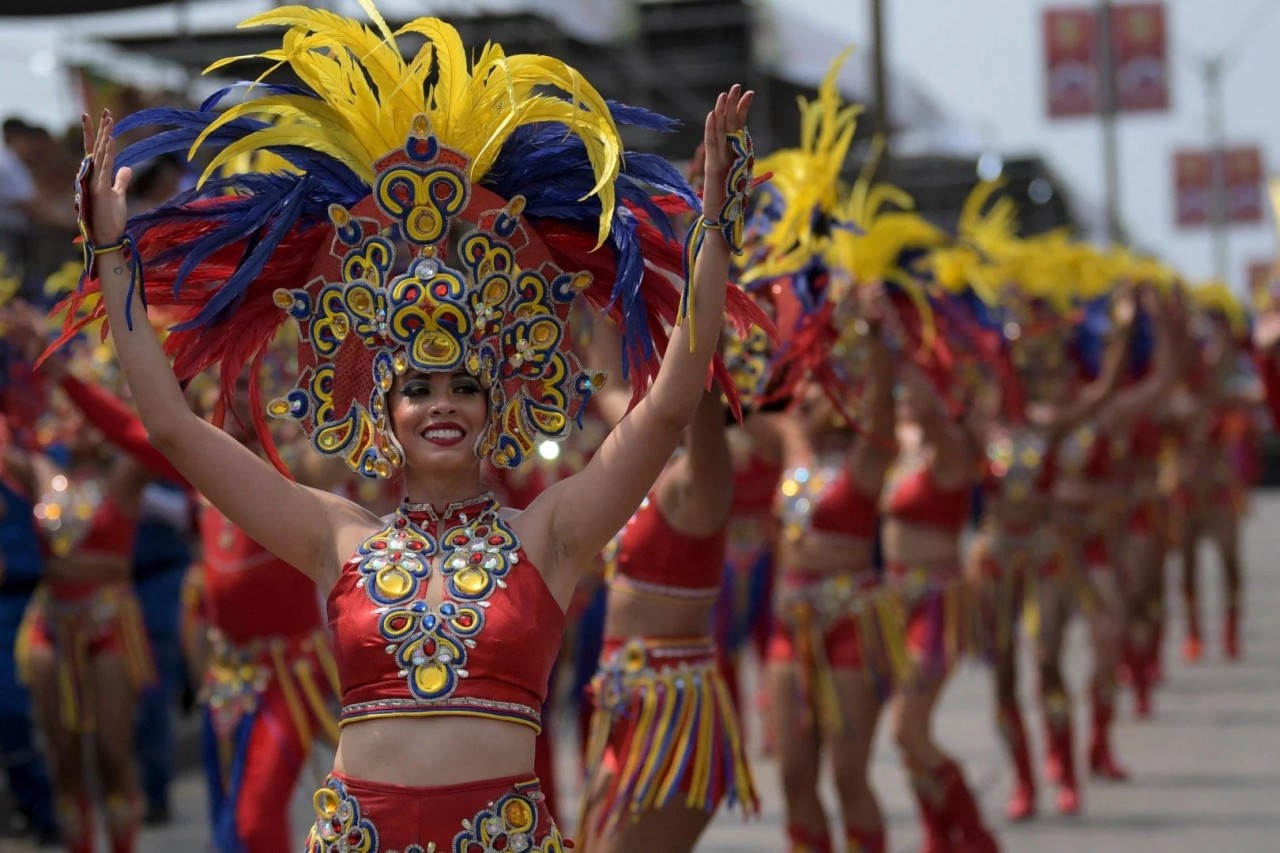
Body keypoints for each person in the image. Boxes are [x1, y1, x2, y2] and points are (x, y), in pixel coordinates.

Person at [65, 7, 754, 848]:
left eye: (465, 385)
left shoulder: (553, 533)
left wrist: (712, 227)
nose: (441, 403)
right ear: (382, 412)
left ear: (494, 406)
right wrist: (109, 254)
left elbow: (675, 399)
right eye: (417, 387)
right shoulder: (335, 537)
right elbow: (173, 426)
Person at [579, 322, 756, 852]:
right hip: (621, 699)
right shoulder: (647, 469)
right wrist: (600, 296)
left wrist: (701, 346)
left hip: (674, 711)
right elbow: (606, 385)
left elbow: (695, 417)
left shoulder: (699, 484)